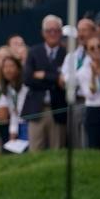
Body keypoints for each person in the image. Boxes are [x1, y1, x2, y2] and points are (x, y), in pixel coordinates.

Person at [23, 15, 67, 152]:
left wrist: (44, 75)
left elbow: (65, 81)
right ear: (43, 33)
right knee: (35, 150)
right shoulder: (34, 52)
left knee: (57, 149)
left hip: (58, 108)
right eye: (49, 30)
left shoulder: (67, 54)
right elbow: (28, 79)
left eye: (56, 30)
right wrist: (55, 78)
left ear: (60, 32)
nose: (52, 34)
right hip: (37, 109)